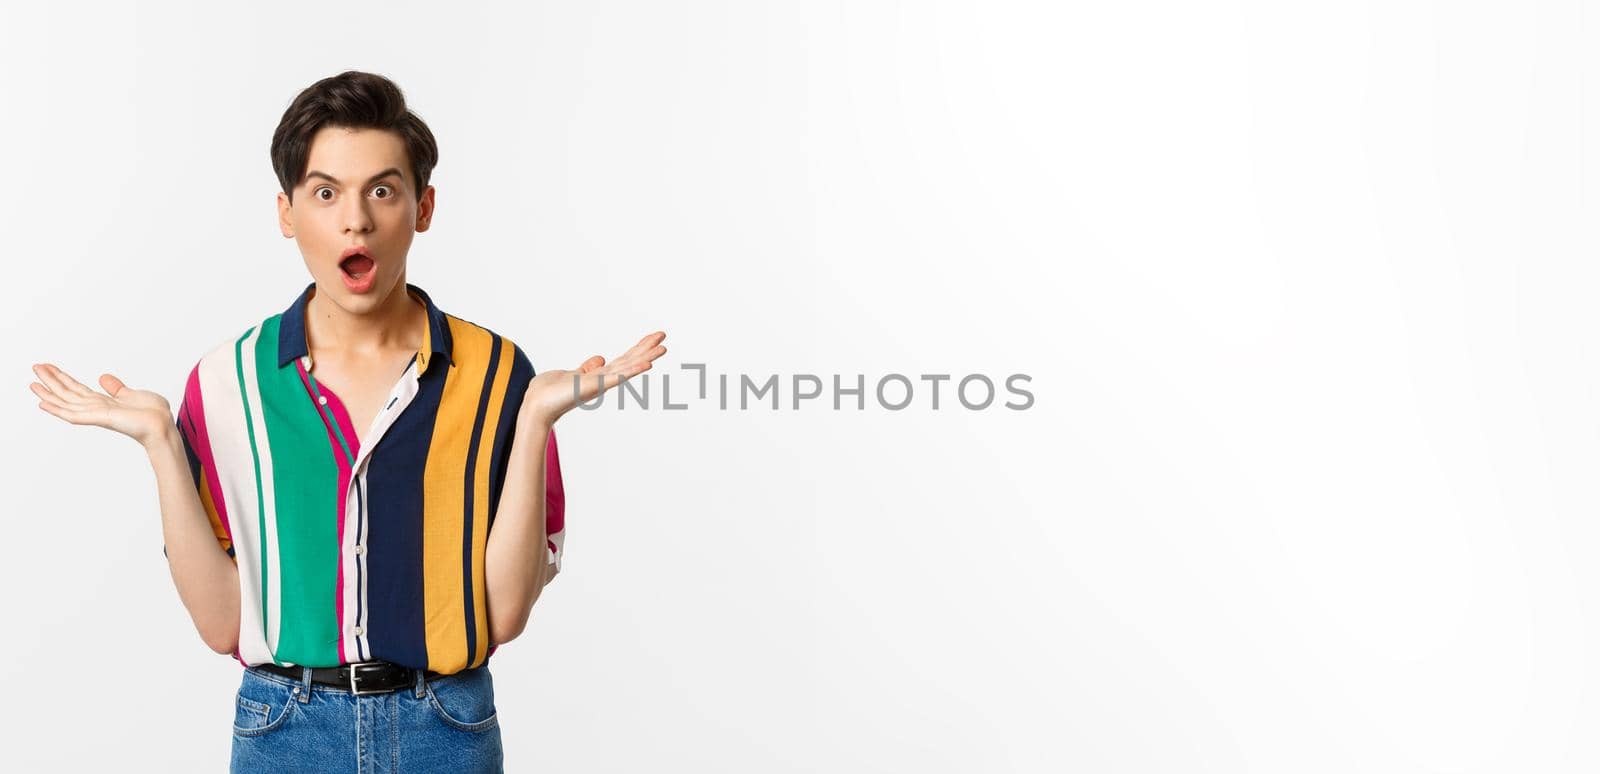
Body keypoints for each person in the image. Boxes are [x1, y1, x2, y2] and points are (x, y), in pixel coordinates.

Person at [27, 70, 665, 773]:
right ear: (286, 212)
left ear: (422, 208)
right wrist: (158, 444)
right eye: (325, 193)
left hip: (447, 728)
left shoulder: (501, 377)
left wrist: (539, 418)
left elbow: (505, 614)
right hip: (284, 732)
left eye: (382, 191)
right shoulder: (225, 383)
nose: (355, 219)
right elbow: (220, 625)